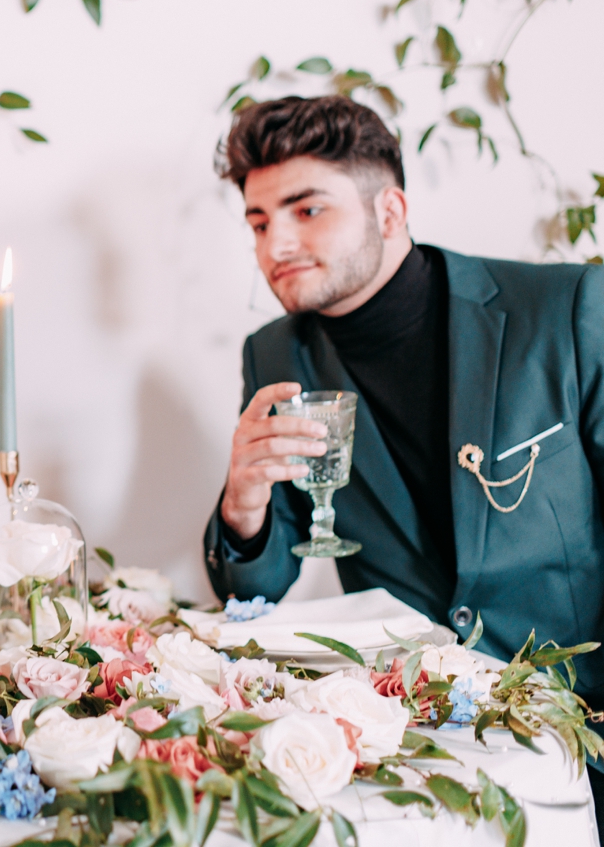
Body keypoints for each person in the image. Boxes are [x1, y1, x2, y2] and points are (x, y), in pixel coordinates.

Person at [201, 95, 604, 824]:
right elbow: (257, 590)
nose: (275, 245)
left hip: (588, 727)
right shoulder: (273, 354)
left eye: (307, 210)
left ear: (389, 212)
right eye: (259, 222)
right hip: (413, 751)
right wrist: (244, 500)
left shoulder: (568, 310)